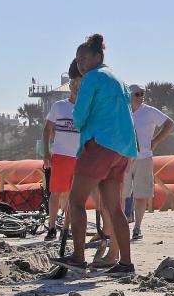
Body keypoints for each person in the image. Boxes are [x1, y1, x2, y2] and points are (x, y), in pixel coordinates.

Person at [56, 34, 137, 275]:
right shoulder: (118, 80)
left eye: (84, 58)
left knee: (76, 200)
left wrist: (81, 125)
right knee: (114, 208)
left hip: (100, 144)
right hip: (122, 149)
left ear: (97, 57)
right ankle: (125, 264)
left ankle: (79, 257)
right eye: (78, 60)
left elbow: (79, 114)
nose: (81, 63)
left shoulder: (92, 78)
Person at [124, 85, 174, 240]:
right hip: (123, 158)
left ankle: (137, 227)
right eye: (137, 94)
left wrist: (155, 141)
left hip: (144, 157)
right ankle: (121, 226)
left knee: (141, 194)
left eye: (142, 94)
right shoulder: (122, 111)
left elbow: (169, 124)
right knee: (121, 194)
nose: (141, 96)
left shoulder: (149, 111)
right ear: (129, 95)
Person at [42, 61, 83, 242]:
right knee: (56, 193)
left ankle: (69, 228)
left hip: (80, 157)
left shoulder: (86, 109)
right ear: (71, 85)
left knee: (74, 196)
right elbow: (47, 129)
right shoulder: (59, 106)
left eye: (81, 84)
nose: (77, 87)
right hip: (60, 156)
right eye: (74, 84)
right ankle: (51, 228)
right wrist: (46, 152)